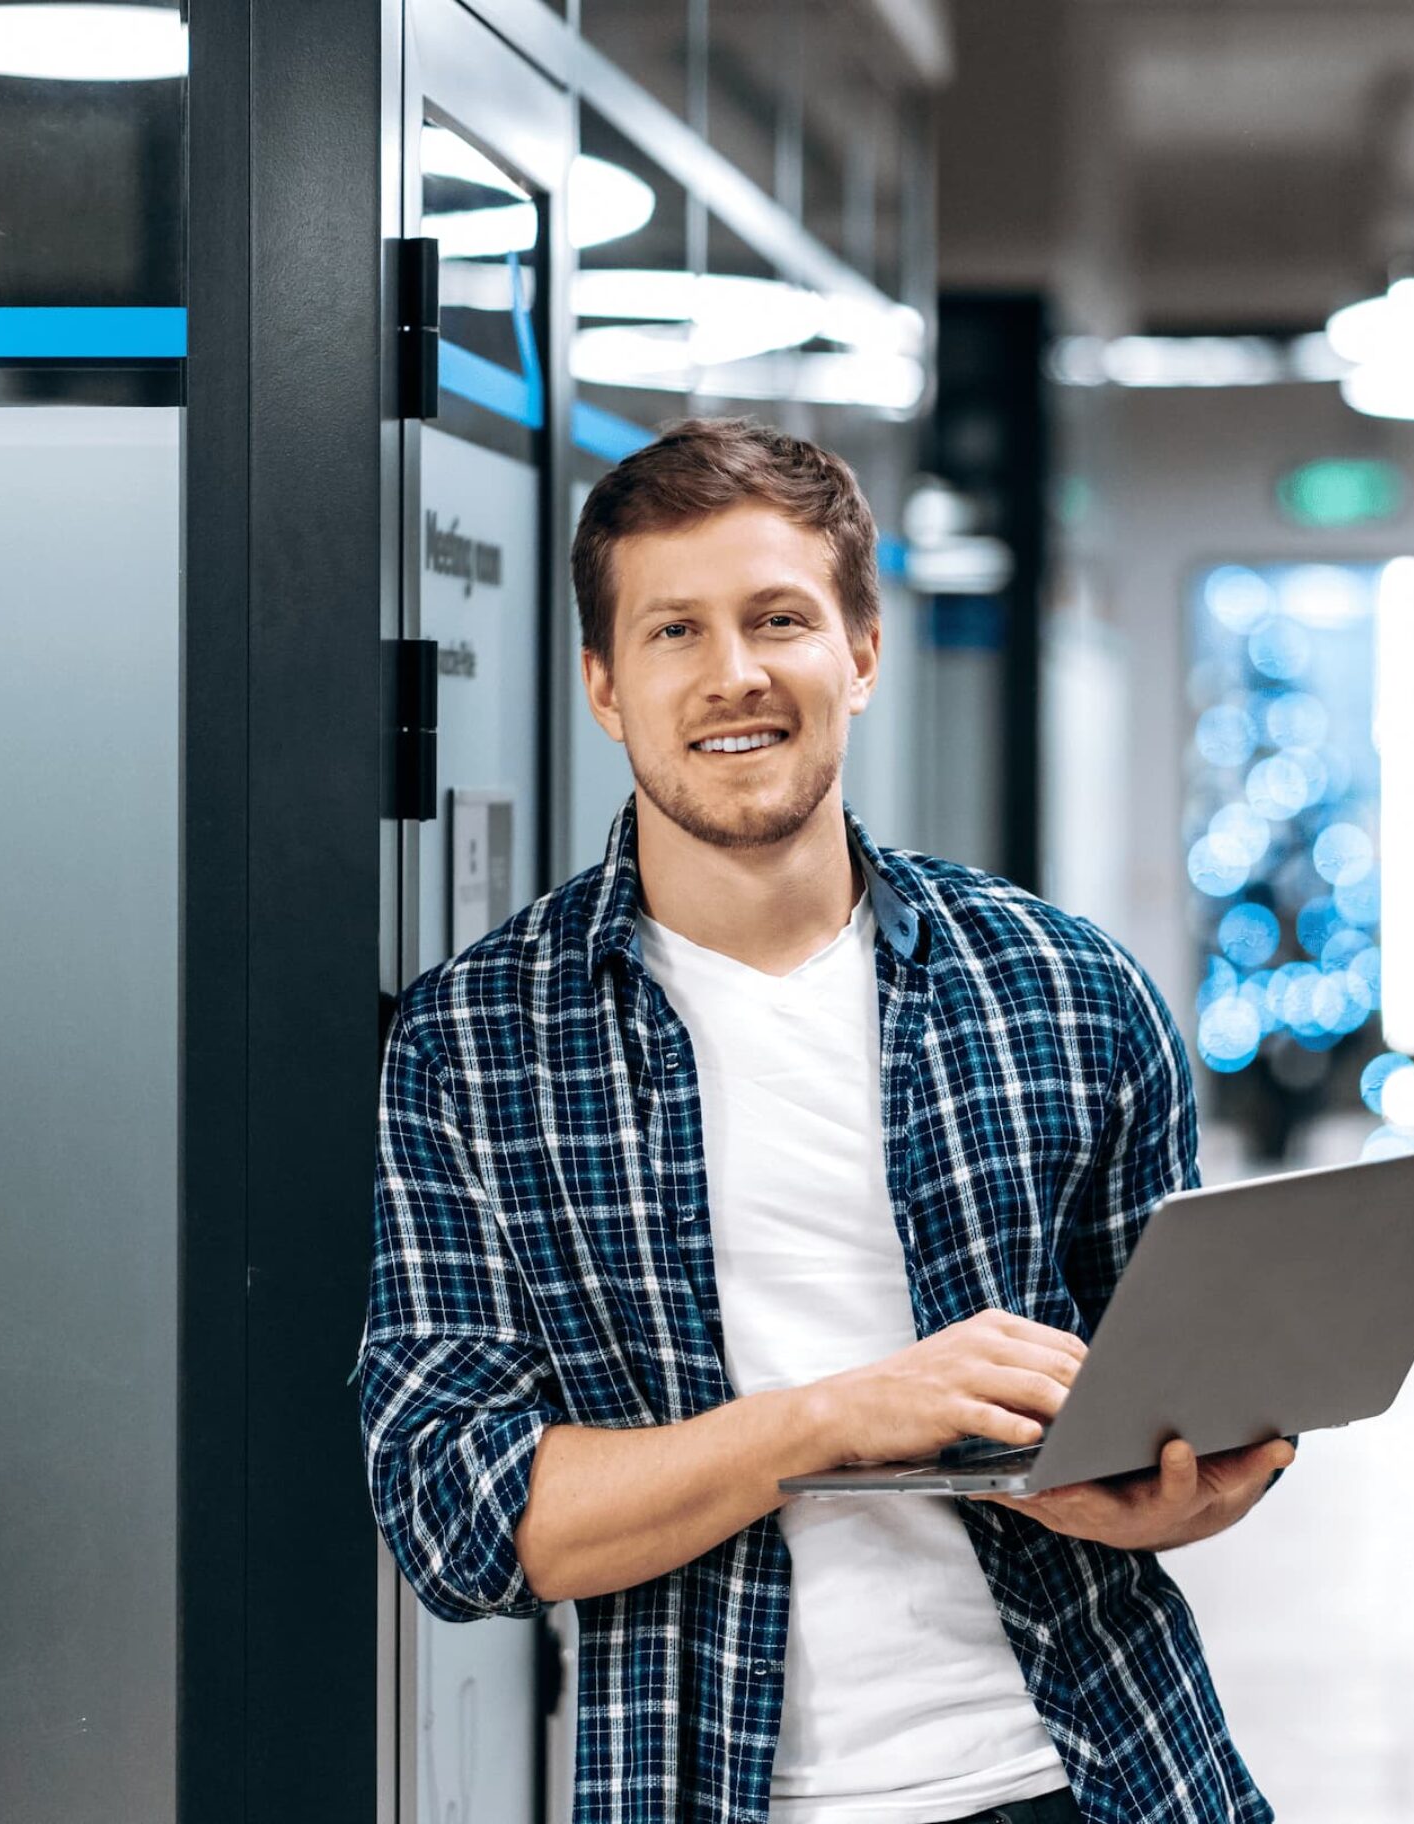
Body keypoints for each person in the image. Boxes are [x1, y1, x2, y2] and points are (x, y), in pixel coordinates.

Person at [358, 418, 1293, 1824]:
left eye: (778, 618)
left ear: (862, 651)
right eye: (675, 631)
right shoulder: (476, 1042)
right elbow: (460, 1513)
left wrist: (1190, 1490)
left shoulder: (1066, 988)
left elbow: (1198, 1395)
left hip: (1090, 1773)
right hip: (713, 1790)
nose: (733, 674)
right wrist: (842, 1418)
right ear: (607, 686)